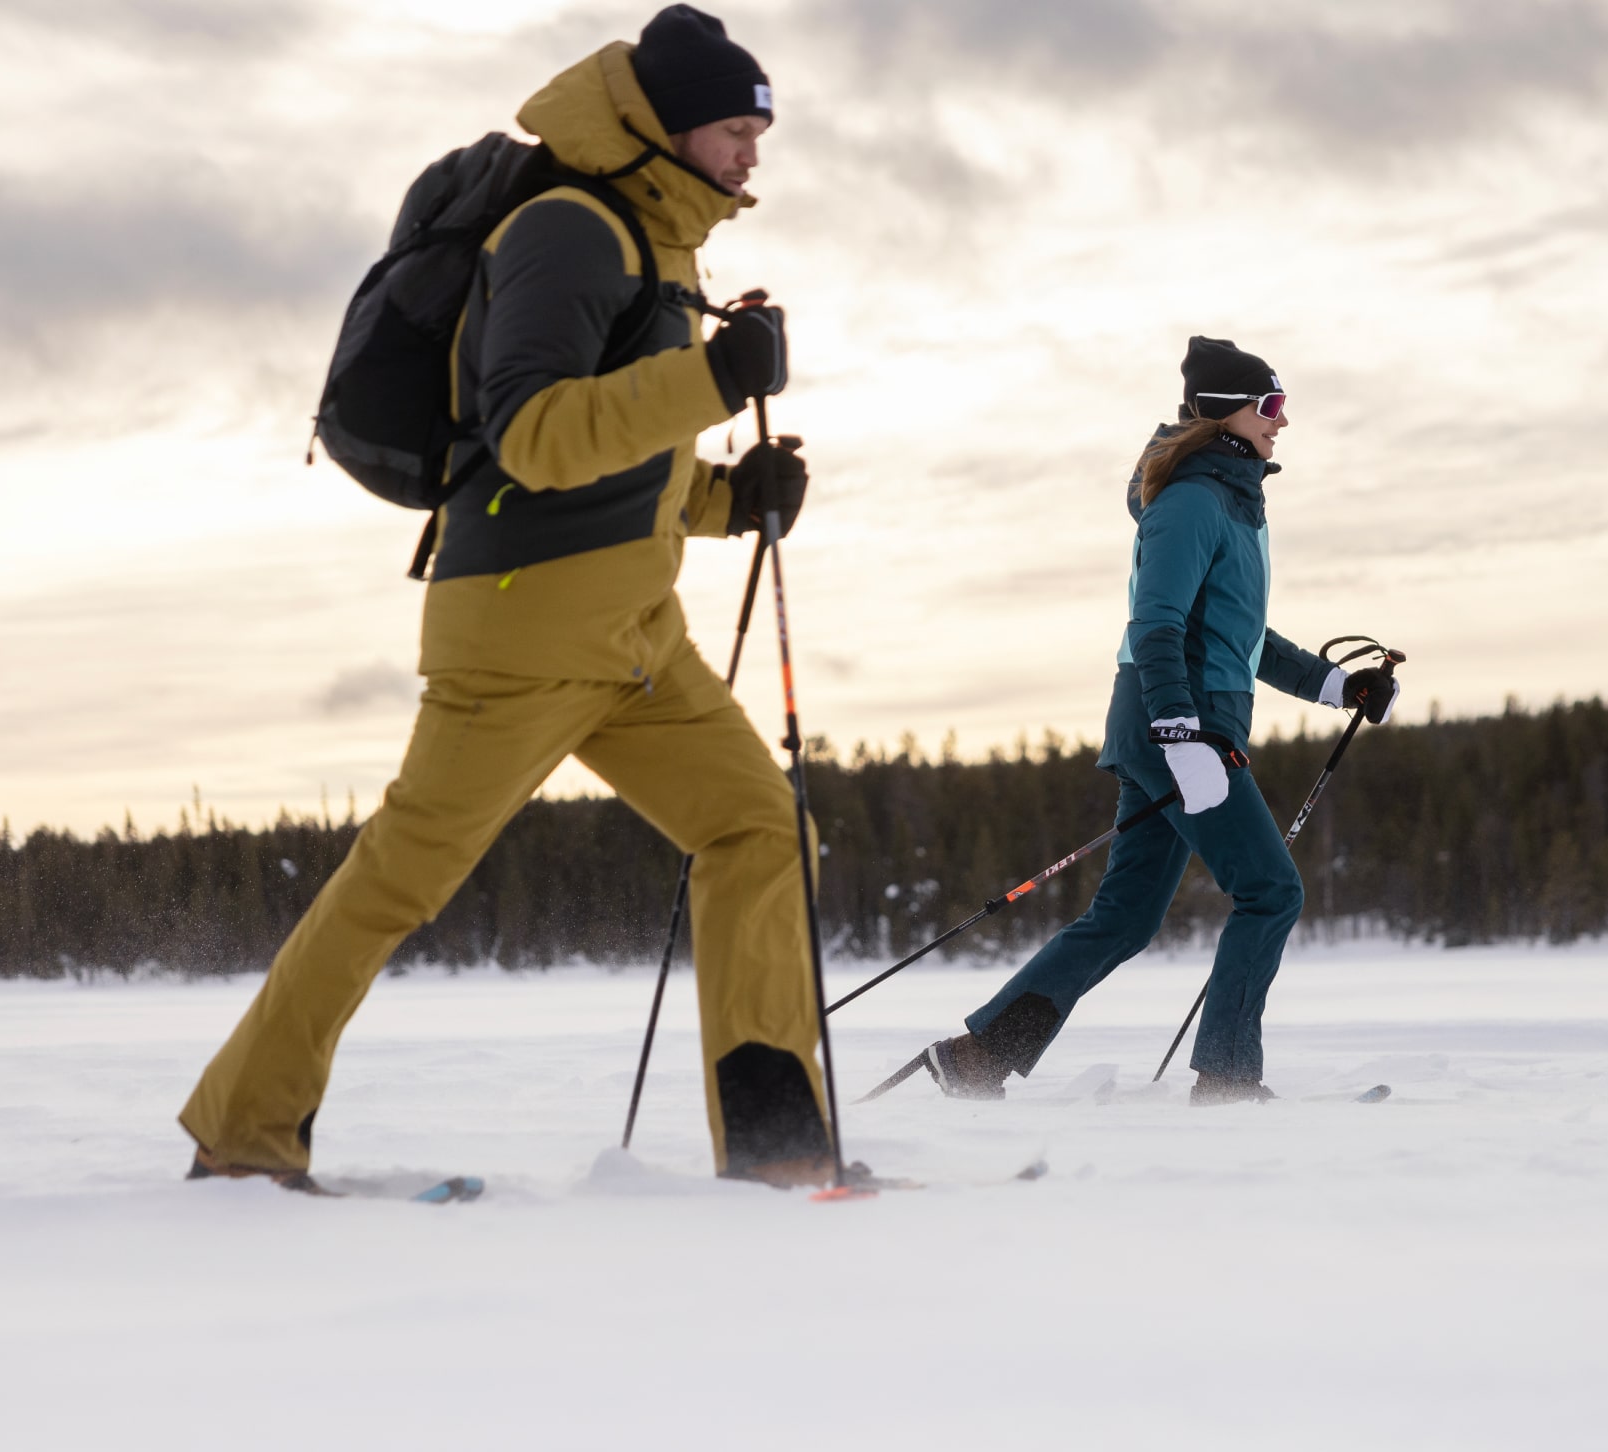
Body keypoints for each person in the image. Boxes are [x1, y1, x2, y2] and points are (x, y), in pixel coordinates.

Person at [180, 5, 837, 1188]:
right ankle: (242, 1137)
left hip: (636, 636)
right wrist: (709, 380)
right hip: (523, 632)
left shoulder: (665, 243)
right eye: (735, 128)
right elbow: (530, 437)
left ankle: (779, 1146)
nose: (752, 153)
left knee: (760, 830)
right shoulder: (567, 230)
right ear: (672, 126)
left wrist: (730, 499)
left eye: (757, 129)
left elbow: (626, 464)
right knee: (396, 885)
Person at [903, 337, 1397, 1104]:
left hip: (1186, 725)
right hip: (1179, 725)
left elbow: (1241, 636)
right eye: (1270, 406)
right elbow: (1156, 624)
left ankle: (978, 1056)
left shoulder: (1231, 504)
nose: (1282, 422)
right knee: (1271, 892)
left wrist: (1337, 685)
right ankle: (1227, 1077)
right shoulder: (1192, 502)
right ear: (1222, 415)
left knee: (1126, 917)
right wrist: (1179, 731)